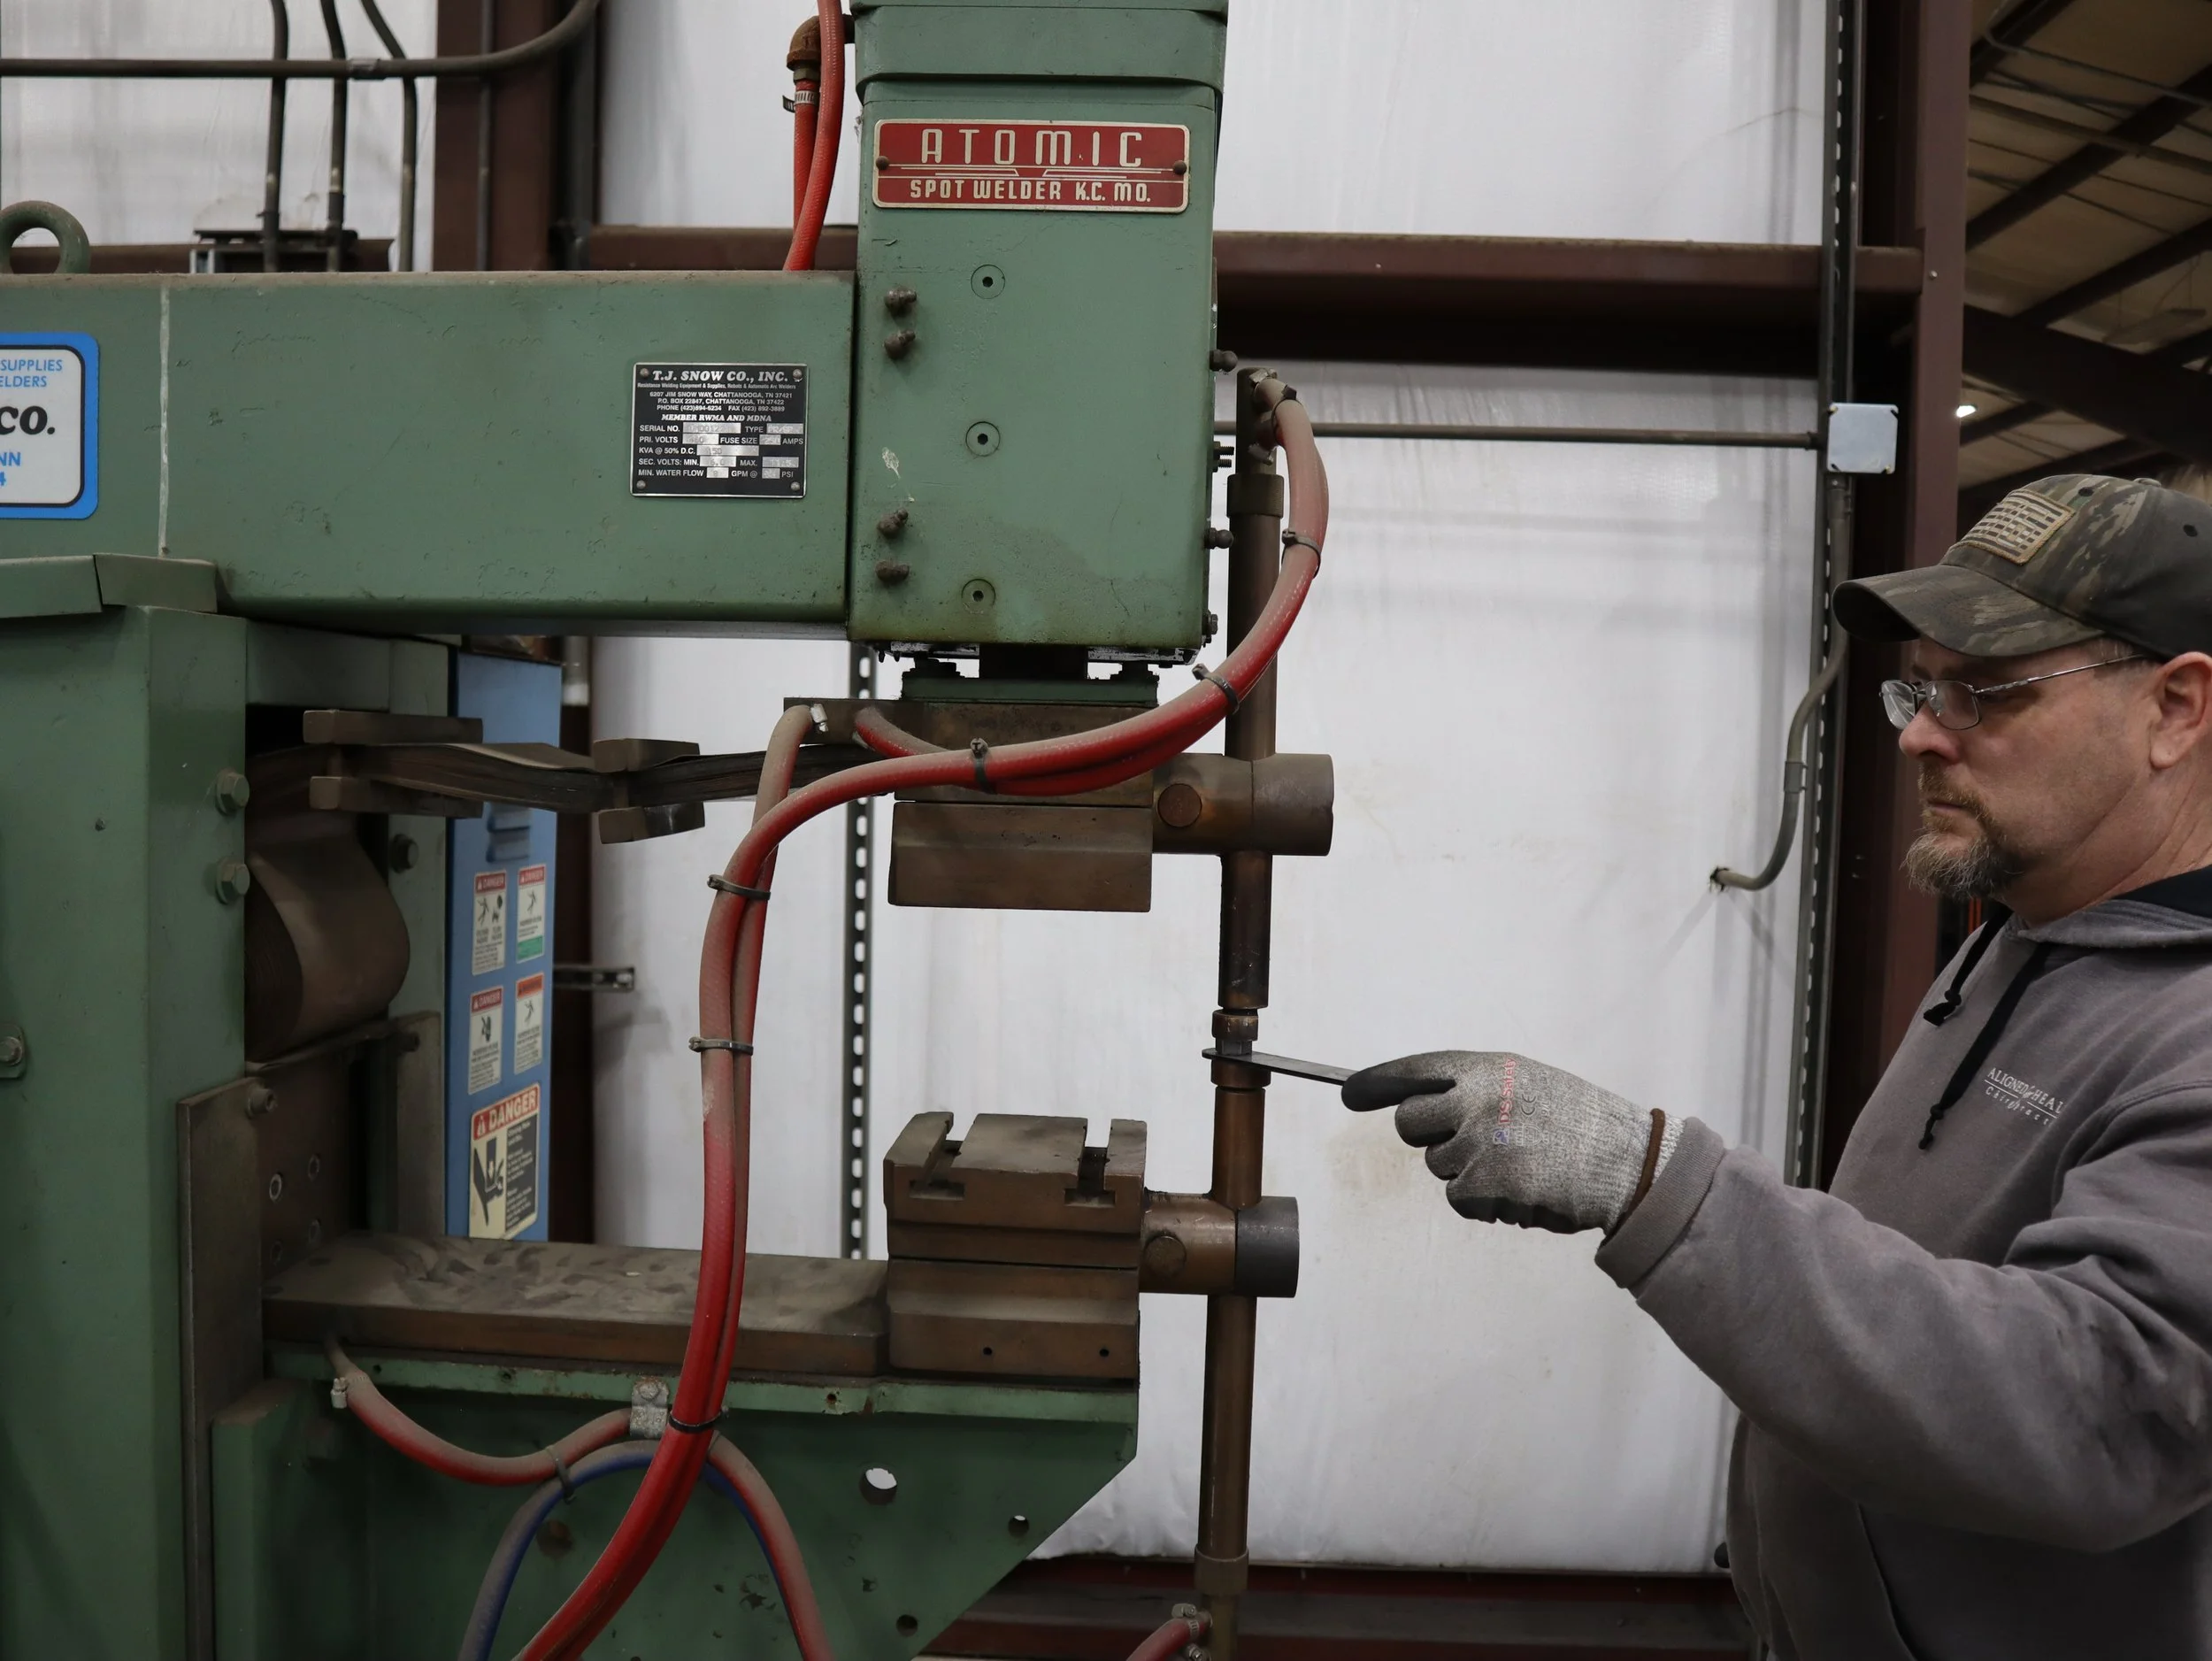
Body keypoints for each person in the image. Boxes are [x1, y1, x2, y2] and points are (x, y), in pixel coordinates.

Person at [1345, 473, 2212, 1661]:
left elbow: (2100, 1417)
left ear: (2177, 708)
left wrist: (1656, 1185)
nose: (1917, 729)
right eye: (1924, 685)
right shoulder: (2030, 932)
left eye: (1989, 690)